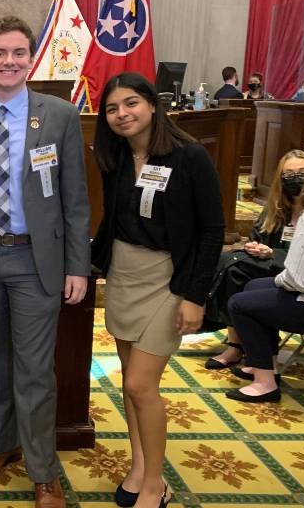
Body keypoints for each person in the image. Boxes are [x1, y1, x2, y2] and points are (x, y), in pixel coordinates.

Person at [0, 16, 90, 508]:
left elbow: (76, 199)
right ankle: (1, 445)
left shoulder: (57, 115)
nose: (9, 62)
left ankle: (43, 471)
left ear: (30, 58)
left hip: (36, 259)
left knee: (35, 368)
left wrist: (77, 266)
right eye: (0, 53)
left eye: (18, 53)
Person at [91, 72, 224, 508]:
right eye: (112, 108)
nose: (122, 114)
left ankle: (155, 485)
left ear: (151, 104)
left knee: (141, 385)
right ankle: (140, 467)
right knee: (130, 386)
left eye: (130, 103)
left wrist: (195, 295)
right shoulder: (116, 156)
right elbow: (112, 222)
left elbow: (211, 230)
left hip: (168, 280)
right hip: (125, 278)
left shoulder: (189, 156)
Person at [226, 156, 304, 403]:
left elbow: (301, 280)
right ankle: (265, 364)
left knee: (241, 304)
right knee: (254, 286)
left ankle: (265, 383)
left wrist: (280, 280)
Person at [203, 150, 304, 368]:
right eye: (288, 174)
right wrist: (255, 246)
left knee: (237, 272)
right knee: (231, 265)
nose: (295, 179)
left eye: (302, 173)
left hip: (303, 275)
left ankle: (239, 346)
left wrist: (273, 254)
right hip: (271, 267)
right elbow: (257, 237)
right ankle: (238, 345)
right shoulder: (275, 207)